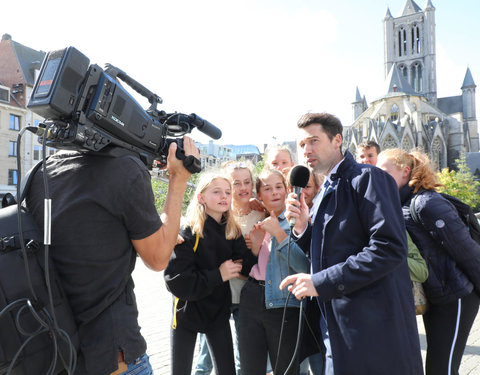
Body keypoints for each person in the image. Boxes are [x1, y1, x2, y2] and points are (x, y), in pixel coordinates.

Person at [25, 137, 199, 375]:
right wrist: (179, 178)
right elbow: (158, 258)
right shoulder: (125, 168)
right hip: (114, 359)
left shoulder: (41, 172)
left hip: (59, 357)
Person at [280, 112, 423, 375]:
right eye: (301, 145)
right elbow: (334, 252)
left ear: (337, 140)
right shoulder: (326, 188)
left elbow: (389, 248)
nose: (306, 150)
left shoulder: (368, 178)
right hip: (337, 327)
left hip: (374, 331)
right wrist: (302, 228)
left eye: (314, 141)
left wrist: (320, 282)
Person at [376, 148, 480, 375]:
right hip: (437, 297)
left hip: (457, 295)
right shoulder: (399, 204)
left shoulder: (426, 203)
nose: (378, 177)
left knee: (441, 369)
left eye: (383, 171)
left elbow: (467, 251)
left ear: (405, 171)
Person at [164, 173, 260, 375]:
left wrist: (256, 248)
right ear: (201, 197)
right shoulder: (188, 232)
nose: (224, 196)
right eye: (216, 192)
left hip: (217, 313)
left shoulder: (231, 230)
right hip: (186, 314)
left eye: (227, 192)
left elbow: (248, 265)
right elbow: (176, 281)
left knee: (227, 370)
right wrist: (219, 274)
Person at [194, 161, 265, 375]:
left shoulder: (261, 216)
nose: (243, 188)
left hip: (245, 298)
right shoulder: (220, 215)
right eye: (236, 183)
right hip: (217, 296)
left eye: (247, 182)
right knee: (205, 360)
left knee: (241, 356)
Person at [237, 168, 310, 375]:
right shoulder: (257, 221)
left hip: (283, 303)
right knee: (250, 369)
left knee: (285, 369)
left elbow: (304, 266)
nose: (275, 192)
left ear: (287, 190)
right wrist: (253, 247)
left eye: (279, 187)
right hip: (252, 298)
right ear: (259, 196)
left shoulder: (298, 219)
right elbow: (249, 267)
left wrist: (278, 233)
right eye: (267, 189)